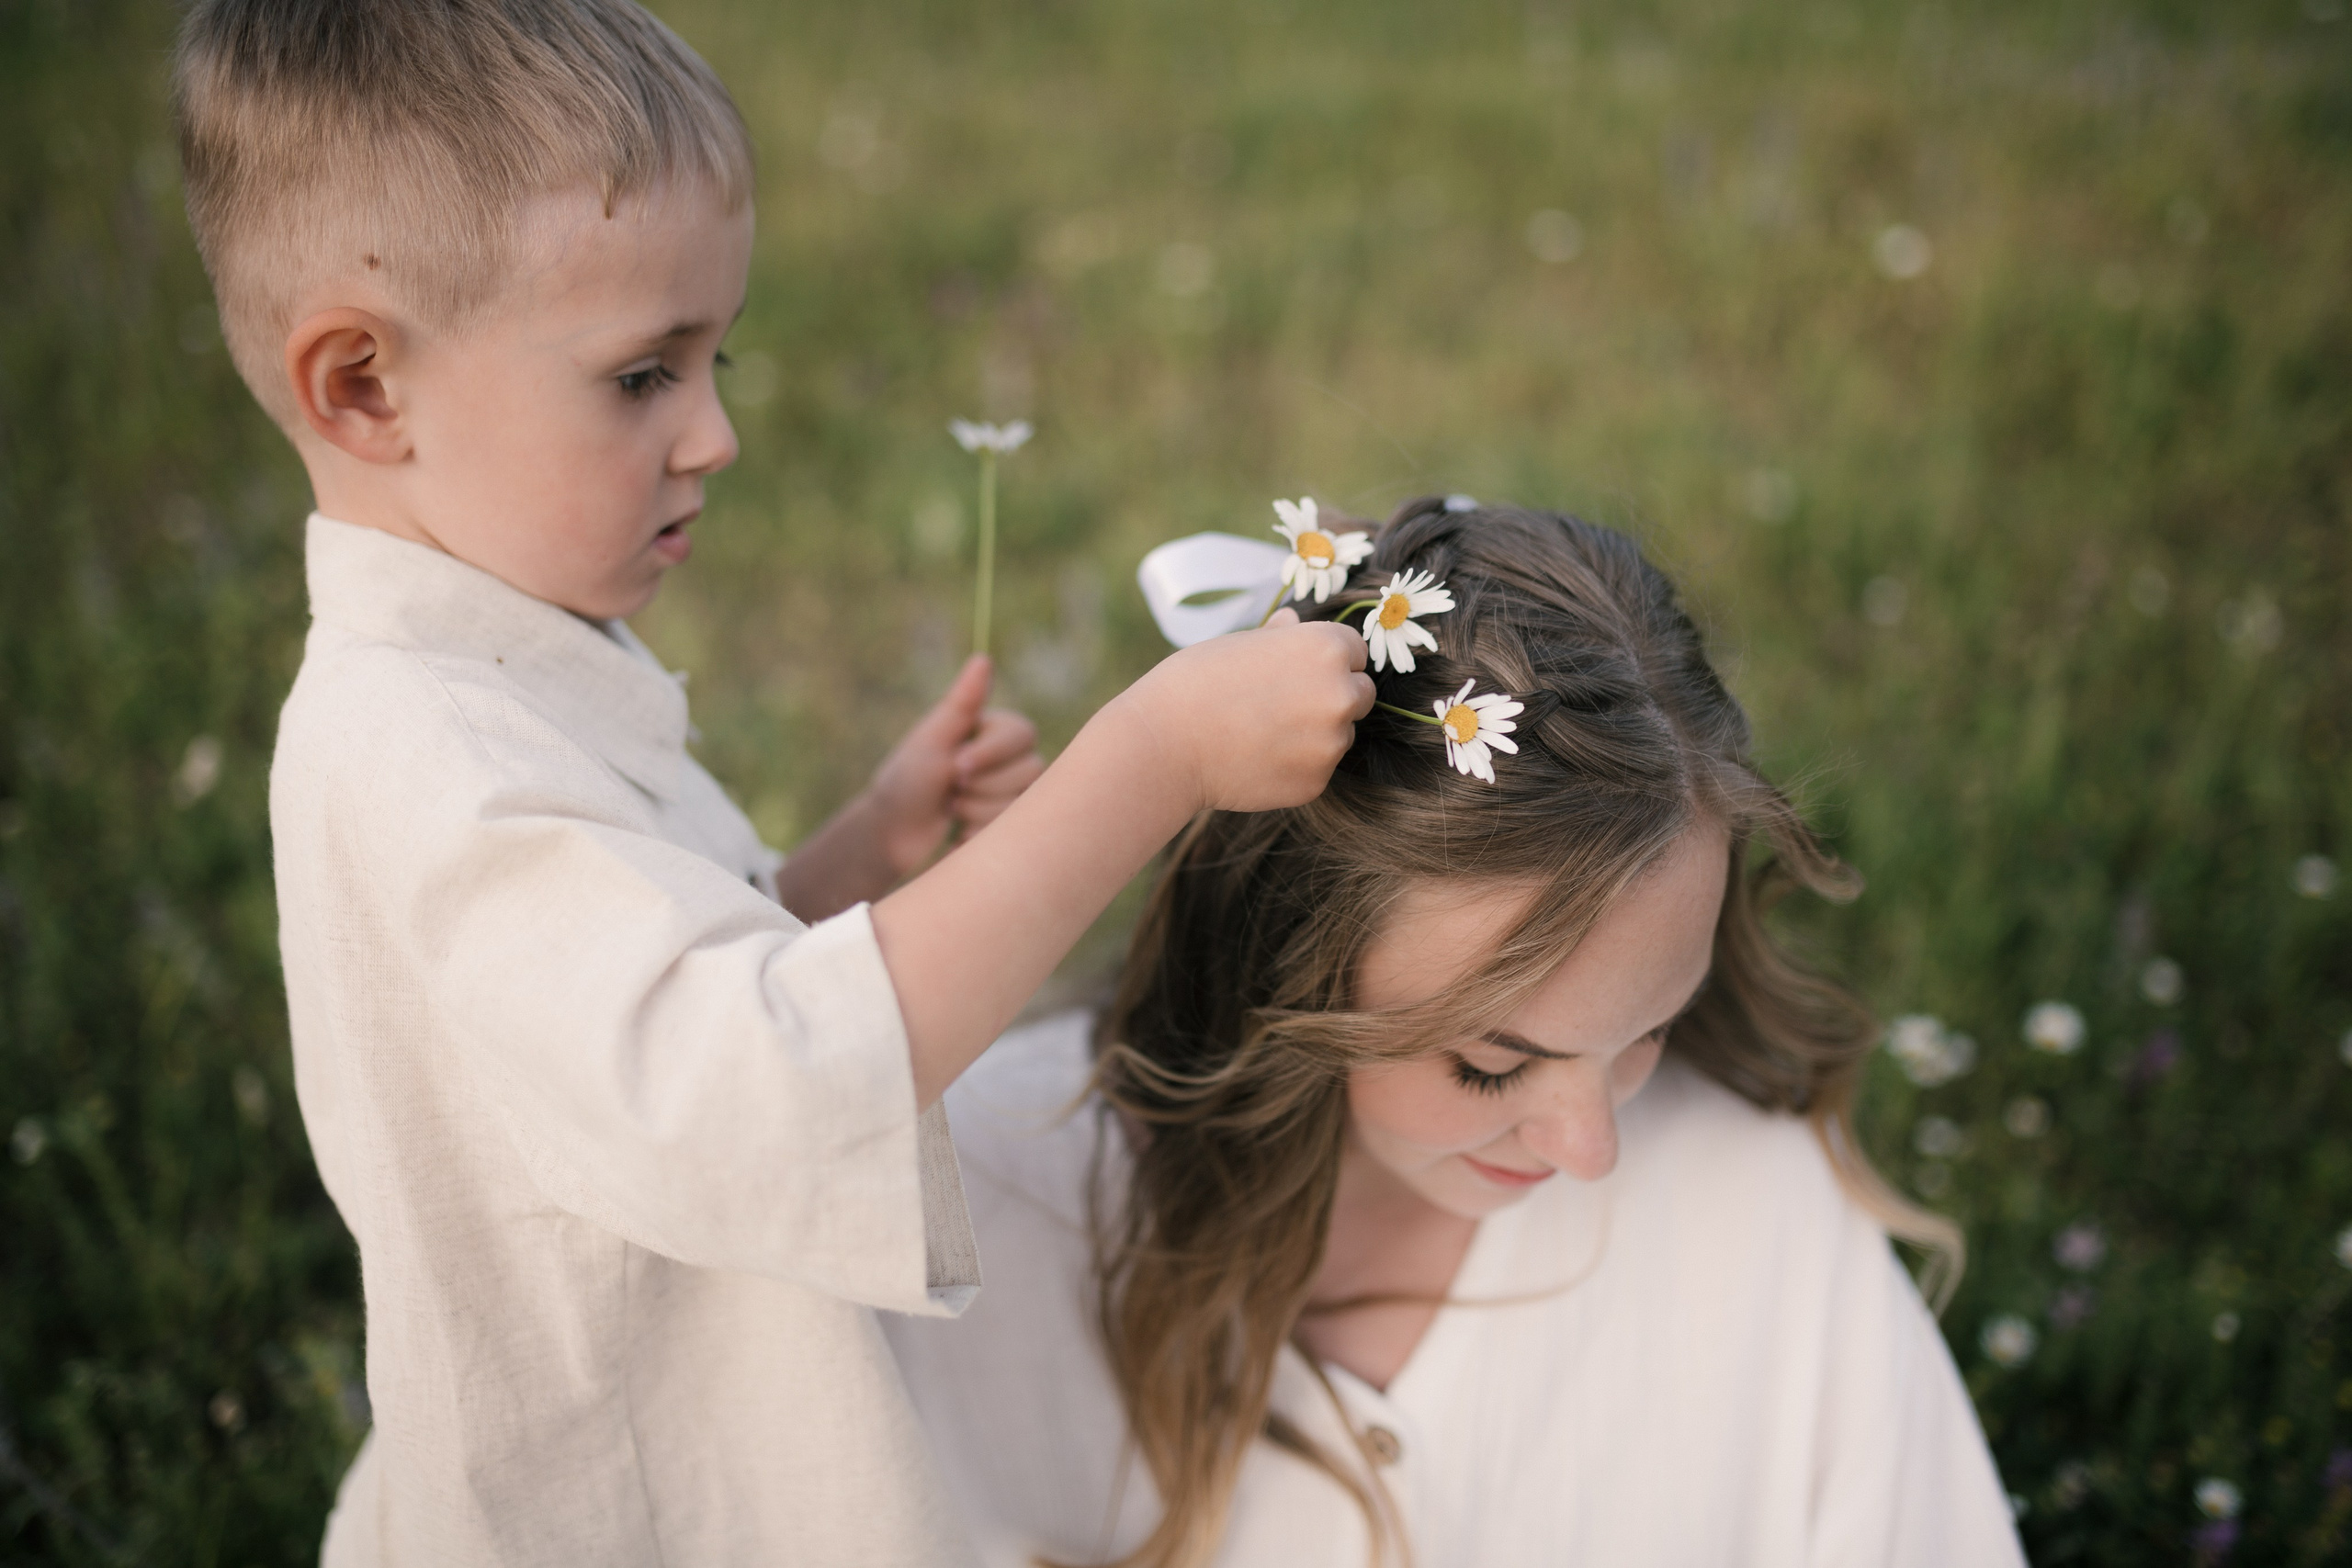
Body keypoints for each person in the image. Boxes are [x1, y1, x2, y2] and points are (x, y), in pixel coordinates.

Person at [172, 3, 1374, 1563]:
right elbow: (758, 1090)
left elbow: (640, 1010)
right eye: (641, 376)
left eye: (714, 359)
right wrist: (1149, 761)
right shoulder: (428, 768)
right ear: (364, 388)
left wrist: (858, 854)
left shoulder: (490, 670)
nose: (717, 434)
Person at [886, 499, 2029, 1567]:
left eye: (1648, 1030)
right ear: (1283, 968)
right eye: (1490, 1066)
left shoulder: (1759, 1220)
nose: (1590, 1148)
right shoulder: (981, 1221)